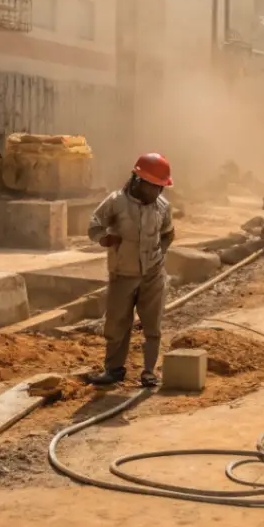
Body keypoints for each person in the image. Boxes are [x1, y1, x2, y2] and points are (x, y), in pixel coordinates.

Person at [85, 152, 175, 388]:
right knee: (117, 324)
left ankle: (149, 372)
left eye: (161, 187)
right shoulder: (116, 202)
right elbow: (94, 224)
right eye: (154, 187)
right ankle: (113, 370)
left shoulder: (163, 207)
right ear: (139, 181)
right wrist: (103, 239)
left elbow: (168, 233)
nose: (158, 192)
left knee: (153, 325)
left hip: (153, 275)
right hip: (123, 274)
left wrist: (159, 253)